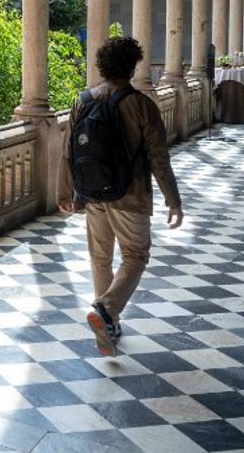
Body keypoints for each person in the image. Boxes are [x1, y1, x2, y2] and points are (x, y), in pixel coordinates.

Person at [59, 37, 184, 356]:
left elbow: (68, 151)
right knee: (136, 256)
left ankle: (109, 324)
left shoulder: (82, 100)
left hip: (93, 193)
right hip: (131, 194)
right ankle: (106, 309)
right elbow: (158, 158)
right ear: (133, 66)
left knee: (100, 257)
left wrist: (66, 192)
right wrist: (173, 199)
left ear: (101, 65)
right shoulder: (141, 105)